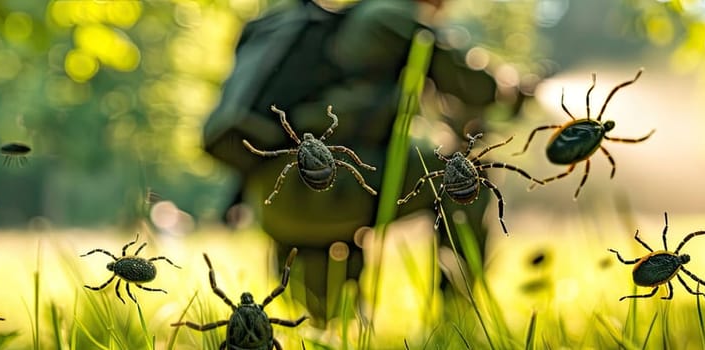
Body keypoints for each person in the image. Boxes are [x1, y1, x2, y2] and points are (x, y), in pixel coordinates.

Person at [201, 0, 517, 320]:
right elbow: (474, 85)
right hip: (332, 192)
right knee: (473, 172)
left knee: (324, 323)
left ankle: (331, 317)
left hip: (275, 200)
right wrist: (512, 89)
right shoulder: (390, 15)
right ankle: (457, 318)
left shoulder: (325, 28)